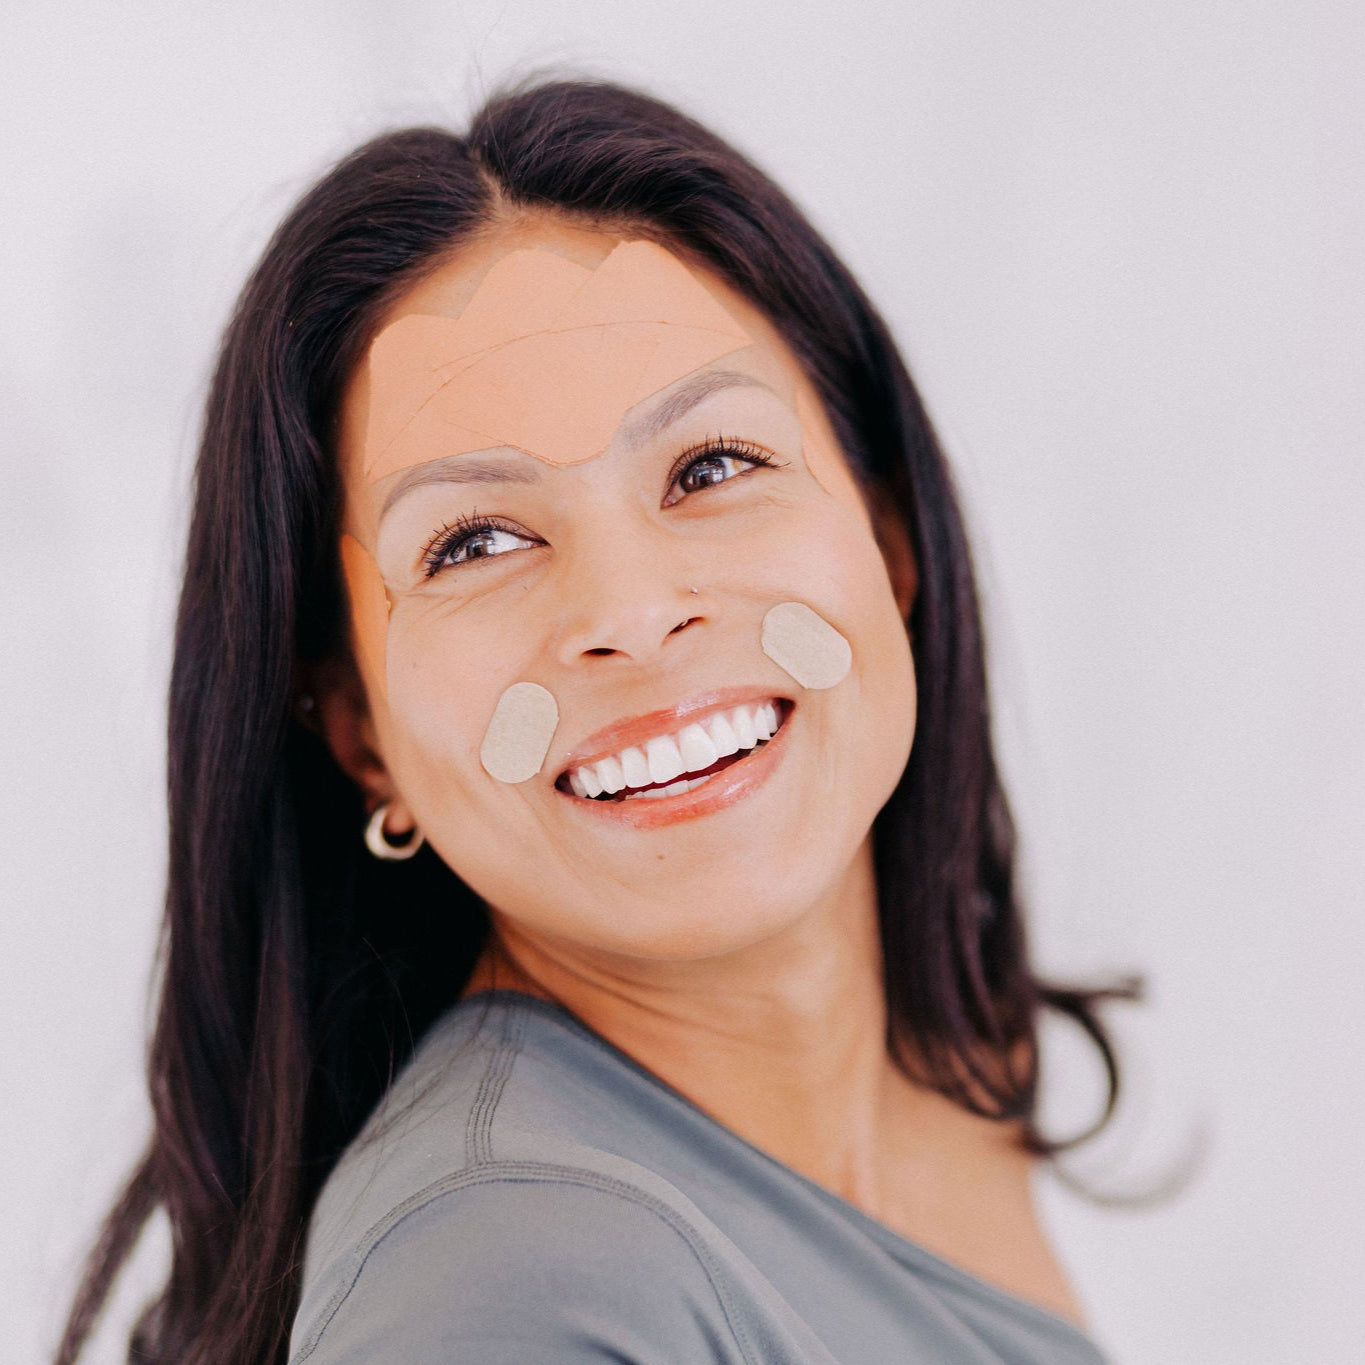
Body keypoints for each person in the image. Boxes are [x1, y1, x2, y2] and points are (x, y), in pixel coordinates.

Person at [58, 78, 1138, 1364]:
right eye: (475, 542)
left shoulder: (949, 1046)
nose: (631, 611)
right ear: (360, 732)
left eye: (713, 465)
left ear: (888, 537)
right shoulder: (507, 1287)